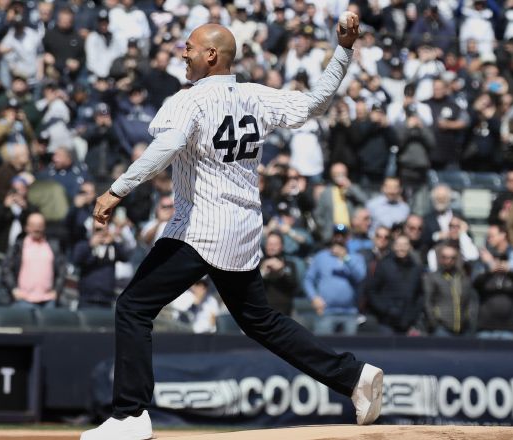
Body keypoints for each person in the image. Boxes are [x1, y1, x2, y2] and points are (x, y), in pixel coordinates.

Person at [82, 16, 383, 440]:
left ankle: (130, 415)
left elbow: (166, 146)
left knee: (133, 308)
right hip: (242, 229)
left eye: (188, 47)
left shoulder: (189, 100)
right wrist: (344, 50)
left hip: (200, 228)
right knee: (260, 320)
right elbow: (316, 103)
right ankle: (353, 378)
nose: (181, 53)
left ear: (210, 55)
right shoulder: (255, 95)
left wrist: (117, 189)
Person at [303, 225, 366, 335]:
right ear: (333, 237)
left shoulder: (356, 257)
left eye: (343, 235)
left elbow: (361, 277)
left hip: (350, 312)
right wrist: (313, 297)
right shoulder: (321, 256)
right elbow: (308, 279)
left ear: (348, 238)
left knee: (352, 348)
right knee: (324, 347)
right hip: (326, 312)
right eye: (337, 235)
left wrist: (346, 258)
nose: (339, 238)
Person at [1, 212, 67, 309]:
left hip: (48, 300)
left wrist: (57, 291)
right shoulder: (18, 247)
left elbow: (62, 270)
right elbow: (6, 269)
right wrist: (13, 289)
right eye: (33, 225)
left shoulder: (53, 246)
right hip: (23, 300)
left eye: (40, 225)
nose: (37, 229)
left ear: (44, 227)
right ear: (26, 227)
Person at [363, 235, 425, 336]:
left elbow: (420, 295)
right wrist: (385, 309)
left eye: (405, 245)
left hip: (408, 323)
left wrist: (413, 314)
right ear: (393, 247)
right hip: (386, 321)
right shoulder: (383, 265)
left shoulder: (416, 268)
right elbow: (372, 291)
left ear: (410, 247)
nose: (401, 248)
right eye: (398, 245)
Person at [423, 244, 477, 337]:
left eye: (452, 258)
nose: (448, 261)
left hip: (464, 329)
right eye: (445, 257)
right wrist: (434, 323)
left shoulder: (464, 278)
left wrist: (470, 319)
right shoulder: (432, 277)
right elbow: (428, 302)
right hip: (442, 328)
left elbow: (471, 301)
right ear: (440, 258)